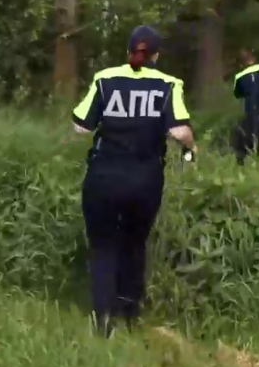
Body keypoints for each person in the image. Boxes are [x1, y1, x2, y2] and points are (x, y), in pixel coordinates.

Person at [70, 25, 197, 338]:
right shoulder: (169, 84)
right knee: (134, 244)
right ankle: (128, 315)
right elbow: (179, 131)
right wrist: (192, 151)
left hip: (103, 176)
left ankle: (103, 321)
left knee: (103, 246)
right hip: (145, 180)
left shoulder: (105, 79)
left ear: (128, 51)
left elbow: (80, 127)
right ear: (156, 55)